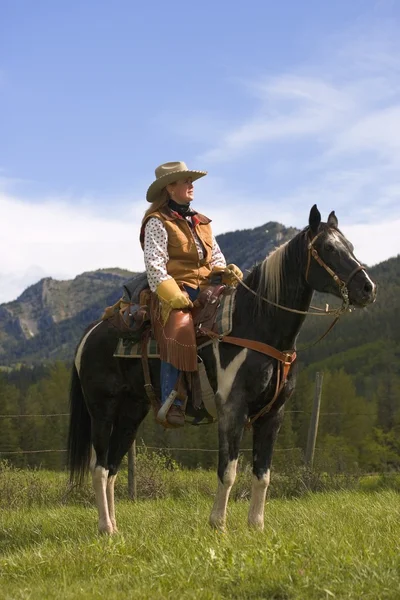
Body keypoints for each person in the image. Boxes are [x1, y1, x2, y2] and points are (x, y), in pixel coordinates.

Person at [140, 161, 243, 427]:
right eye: (185, 181)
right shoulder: (157, 221)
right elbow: (155, 266)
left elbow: (216, 257)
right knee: (180, 327)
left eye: (191, 180)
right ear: (169, 188)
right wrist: (172, 295)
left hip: (209, 288)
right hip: (175, 290)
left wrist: (226, 270)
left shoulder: (202, 222)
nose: (191, 185)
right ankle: (172, 400)